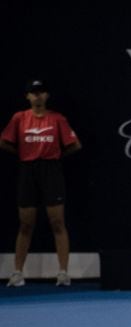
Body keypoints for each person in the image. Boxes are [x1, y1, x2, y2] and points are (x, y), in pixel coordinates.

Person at [0, 79, 81, 287]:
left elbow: (75, 145)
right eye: (33, 93)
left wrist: (55, 156)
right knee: (26, 224)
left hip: (51, 171)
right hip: (28, 171)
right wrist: (23, 154)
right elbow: (4, 142)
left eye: (41, 92)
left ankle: (63, 273)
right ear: (27, 96)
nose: (37, 96)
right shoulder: (19, 118)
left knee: (57, 222)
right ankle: (17, 273)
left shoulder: (57, 119)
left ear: (47, 96)